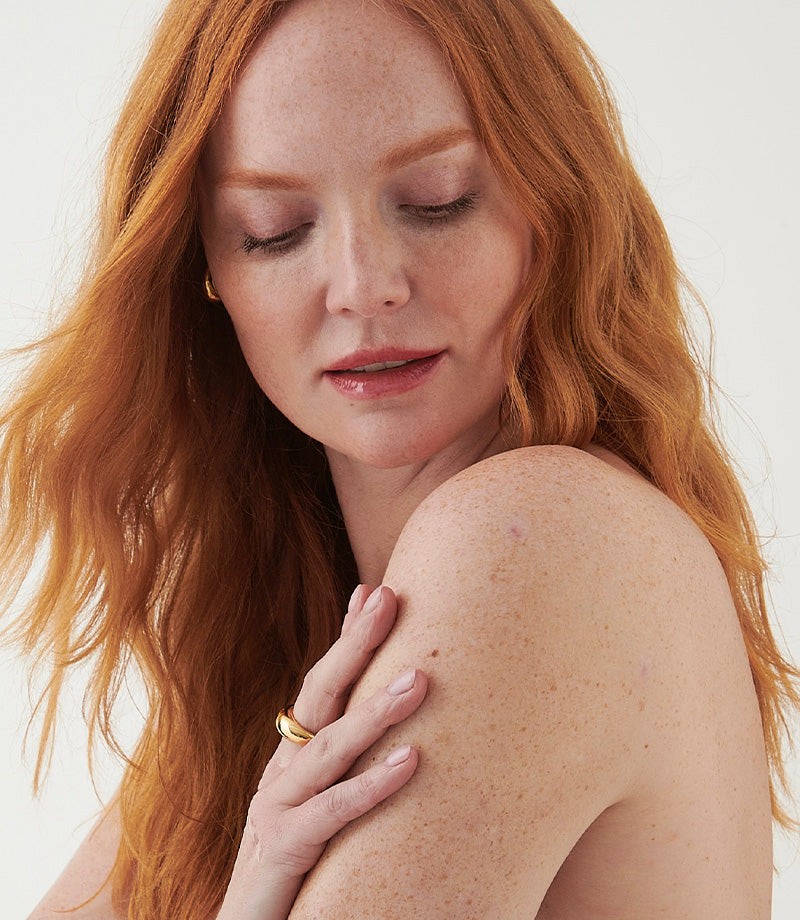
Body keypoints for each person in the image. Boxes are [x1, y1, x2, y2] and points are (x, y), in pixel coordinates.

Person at [1, 0, 797, 917]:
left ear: (557, 206)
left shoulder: (535, 541)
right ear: (205, 271)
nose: (363, 286)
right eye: (272, 228)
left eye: (437, 201)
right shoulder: (294, 647)